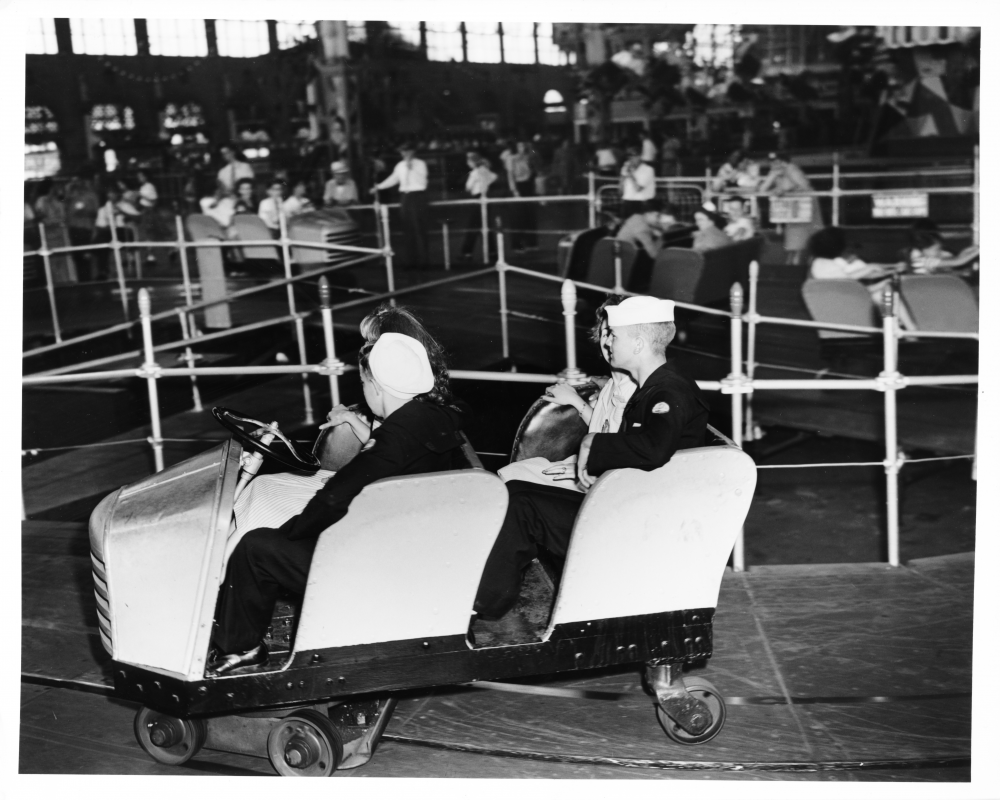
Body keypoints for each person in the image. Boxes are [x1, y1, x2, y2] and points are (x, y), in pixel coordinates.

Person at [209, 332, 471, 675]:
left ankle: (242, 648)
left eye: (363, 383)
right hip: (415, 547)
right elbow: (395, 458)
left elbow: (332, 498)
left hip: (379, 567)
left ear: (376, 386)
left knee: (254, 546)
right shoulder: (436, 415)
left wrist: (290, 532)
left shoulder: (392, 439)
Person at [474, 295, 709, 620]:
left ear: (639, 343)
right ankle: (487, 600)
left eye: (615, 335)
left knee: (522, 507)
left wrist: (592, 445)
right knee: (517, 494)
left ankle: (483, 607)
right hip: (629, 506)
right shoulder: (653, 386)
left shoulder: (667, 392)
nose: (607, 342)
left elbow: (655, 447)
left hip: (637, 525)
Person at [498, 296, 637, 490]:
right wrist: (574, 399)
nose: (608, 343)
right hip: (593, 463)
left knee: (516, 483)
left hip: (609, 476)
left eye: (616, 335)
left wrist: (588, 468)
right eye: (605, 333)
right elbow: (604, 429)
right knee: (516, 472)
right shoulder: (613, 383)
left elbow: (628, 449)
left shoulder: (639, 389)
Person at [807, 226, 915, 330]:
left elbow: (847, 286)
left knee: (881, 295)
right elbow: (852, 289)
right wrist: (882, 283)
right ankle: (911, 331)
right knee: (886, 295)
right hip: (845, 305)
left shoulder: (821, 263)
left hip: (834, 305)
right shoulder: (828, 266)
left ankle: (900, 328)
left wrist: (884, 276)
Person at [375, 141, 430, 267]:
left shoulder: (420, 164)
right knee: (407, 228)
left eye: (407, 151)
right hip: (405, 197)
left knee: (419, 229)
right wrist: (379, 187)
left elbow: (423, 180)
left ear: (413, 151)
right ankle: (411, 261)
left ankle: (424, 262)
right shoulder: (400, 165)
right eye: (402, 151)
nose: (404, 153)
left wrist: (411, 166)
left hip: (418, 196)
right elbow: (394, 179)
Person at [759, 151, 822, 259]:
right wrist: (773, 176)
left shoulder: (792, 169)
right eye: (772, 162)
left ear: (783, 161)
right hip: (793, 209)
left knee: (810, 236)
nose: (774, 164)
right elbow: (762, 190)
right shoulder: (774, 171)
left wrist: (785, 189)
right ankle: (793, 263)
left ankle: (806, 260)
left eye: (777, 161)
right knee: (794, 237)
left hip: (805, 205)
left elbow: (805, 186)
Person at [459, 152, 498, 263]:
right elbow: (494, 177)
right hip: (486, 197)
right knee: (486, 225)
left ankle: (467, 252)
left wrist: (475, 187)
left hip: (477, 198)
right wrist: (485, 184)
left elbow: (468, 187)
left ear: (472, 162)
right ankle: (492, 252)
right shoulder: (485, 170)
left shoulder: (474, 173)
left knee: (473, 226)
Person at [615, 200, 682, 260]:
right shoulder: (642, 230)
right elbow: (654, 254)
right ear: (648, 214)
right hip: (625, 259)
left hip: (620, 252)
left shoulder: (636, 217)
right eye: (657, 216)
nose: (658, 220)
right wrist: (662, 237)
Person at [64, 174, 100, 281]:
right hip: (73, 228)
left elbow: (95, 211)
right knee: (77, 256)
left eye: (77, 181)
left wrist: (83, 212)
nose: (75, 183)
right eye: (73, 181)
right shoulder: (70, 196)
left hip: (86, 228)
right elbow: (66, 210)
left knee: (86, 256)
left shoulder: (90, 195)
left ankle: (88, 281)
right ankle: (81, 281)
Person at [507, 139, 539, 252]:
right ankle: (517, 244)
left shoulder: (529, 157)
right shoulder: (511, 158)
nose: (522, 148)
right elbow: (510, 175)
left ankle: (531, 243)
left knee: (530, 216)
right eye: (520, 146)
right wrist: (514, 190)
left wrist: (531, 149)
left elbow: (535, 169)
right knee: (518, 217)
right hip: (518, 187)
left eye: (524, 146)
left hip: (528, 186)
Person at [619, 145, 657, 219]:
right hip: (627, 202)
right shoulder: (625, 168)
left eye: (633, 156)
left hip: (641, 204)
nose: (630, 158)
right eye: (629, 156)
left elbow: (638, 189)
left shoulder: (648, 169)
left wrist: (630, 175)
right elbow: (620, 191)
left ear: (639, 156)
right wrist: (623, 176)